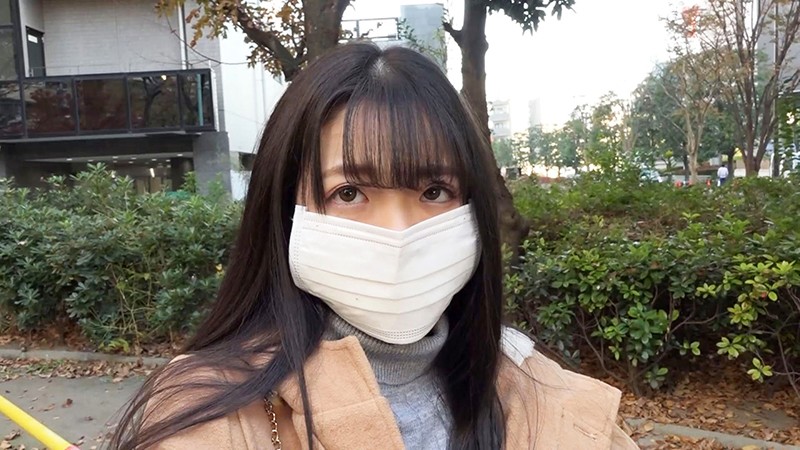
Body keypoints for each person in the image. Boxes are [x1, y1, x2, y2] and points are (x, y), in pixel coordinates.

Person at [109, 43, 638, 450]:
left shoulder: (540, 394)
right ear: (284, 210)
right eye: (349, 193)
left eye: (434, 191)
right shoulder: (210, 414)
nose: (398, 233)